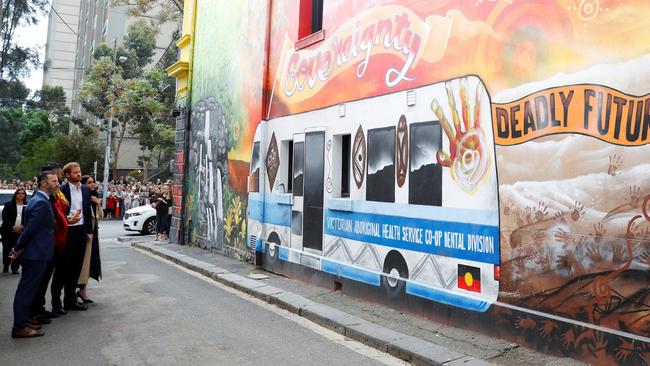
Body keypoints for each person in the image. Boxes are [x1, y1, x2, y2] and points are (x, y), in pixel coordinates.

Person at [10, 171, 58, 338]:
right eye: (54, 180)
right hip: (36, 253)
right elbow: (30, 229)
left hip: (36, 252)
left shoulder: (38, 199)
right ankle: (20, 326)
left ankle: (24, 320)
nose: (57, 183)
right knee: (26, 290)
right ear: (44, 183)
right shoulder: (41, 203)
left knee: (29, 289)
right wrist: (17, 248)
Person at [52, 162, 93, 312]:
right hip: (66, 233)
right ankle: (56, 304)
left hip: (81, 232)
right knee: (62, 269)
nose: (79, 174)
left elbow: (87, 212)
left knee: (76, 269)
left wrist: (89, 231)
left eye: (80, 171)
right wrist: (69, 220)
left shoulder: (85, 190)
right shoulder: (60, 190)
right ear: (67, 175)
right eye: (75, 172)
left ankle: (70, 300)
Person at [77, 175, 102, 304]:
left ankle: (83, 291)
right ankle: (79, 291)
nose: (92, 184)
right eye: (89, 182)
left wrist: (98, 203)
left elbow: (100, 217)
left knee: (91, 263)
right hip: (85, 235)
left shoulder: (94, 197)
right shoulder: (82, 198)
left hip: (93, 235)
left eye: (93, 182)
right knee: (83, 264)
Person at [1, 188, 28, 274]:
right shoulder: (9, 205)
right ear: (15, 195)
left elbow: (29, 218)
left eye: (22, 193)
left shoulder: (27, 205)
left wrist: (22, 226)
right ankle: (6, 265)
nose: (21, 195)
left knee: (18, 249)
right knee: (7, 249)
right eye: (19, 193)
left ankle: (15, 268)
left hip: (21, 231)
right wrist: (13, 227)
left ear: (25, 195)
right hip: (8, 231)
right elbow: (5, 218)